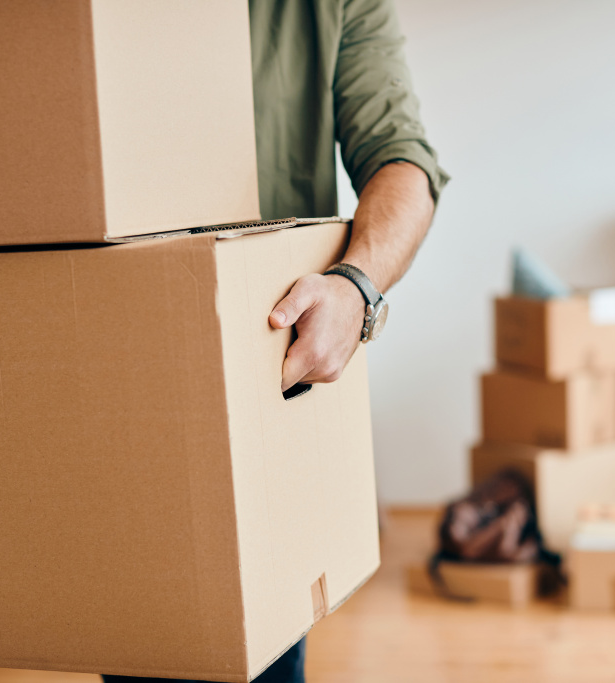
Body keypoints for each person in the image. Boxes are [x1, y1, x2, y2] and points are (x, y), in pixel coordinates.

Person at [102, 0, 446, 681]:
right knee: (134, 650)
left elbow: (404, 162)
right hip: (115, 367)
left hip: (263, 382)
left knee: (261, 656)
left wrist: (356, 286)